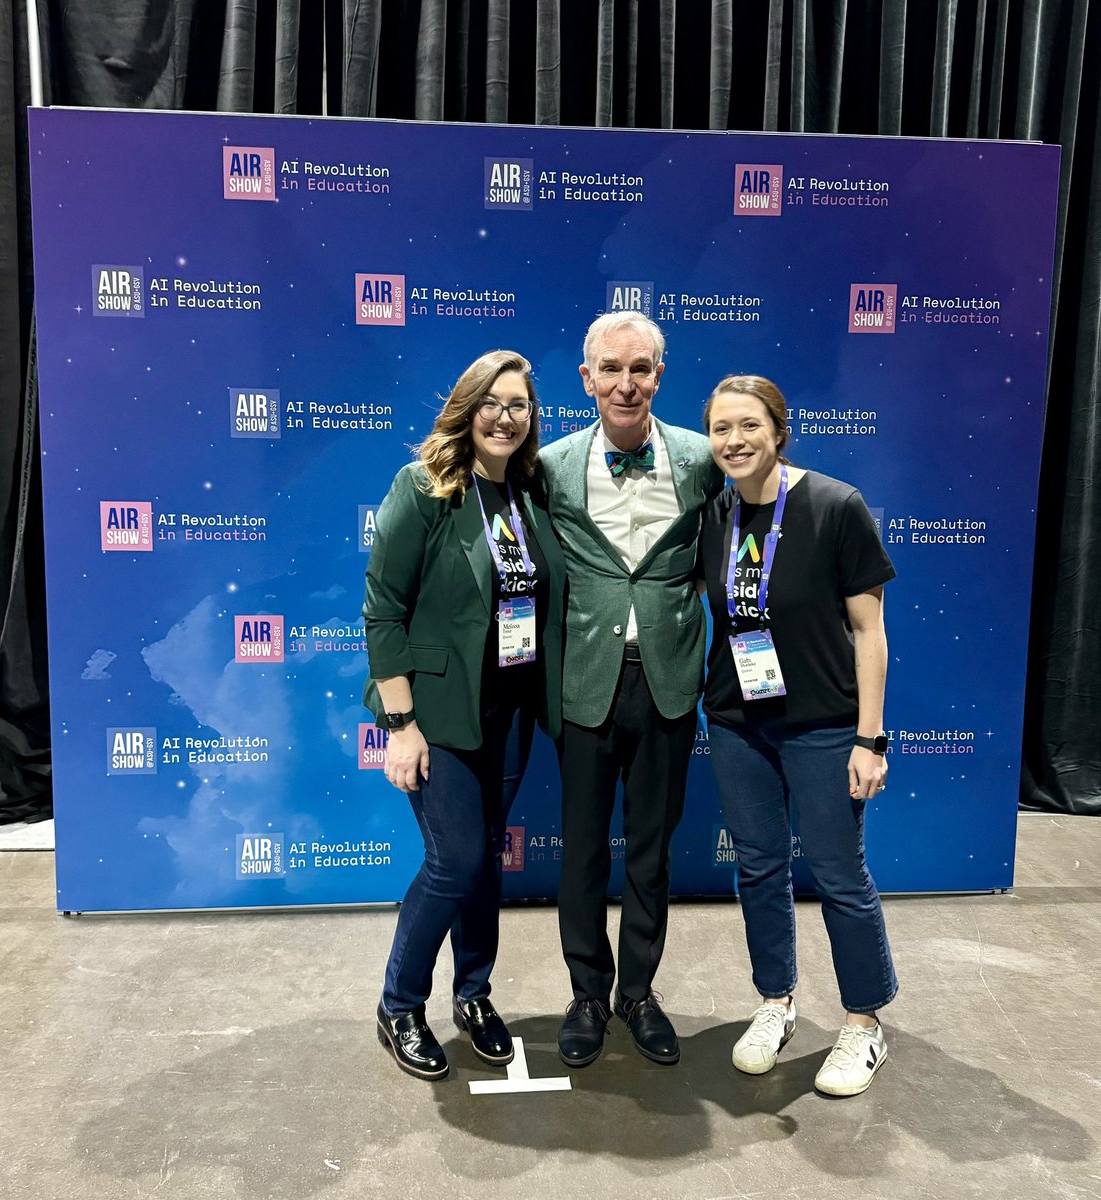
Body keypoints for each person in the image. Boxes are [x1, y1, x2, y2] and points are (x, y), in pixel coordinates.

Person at [363, 350, 566, 1082]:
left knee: (484, 866)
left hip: (507, 713)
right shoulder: (424, 489)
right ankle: (398, 1005)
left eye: (519, 405)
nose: (506, 417)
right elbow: (383, 610)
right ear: (465, 406)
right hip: (437, 713)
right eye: (492, 401)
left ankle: (473, 997)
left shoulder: (529, 492)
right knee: (457, 862)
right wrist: (400, 724)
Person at [697, 373, 898, 1097]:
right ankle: (775, 1004)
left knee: (840, 875)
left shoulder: (834, 506)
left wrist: (869, 740)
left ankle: (863, 1024)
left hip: (823, 725)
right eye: (721, 428)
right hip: (736, 722)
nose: (734, 441)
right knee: (757, 868)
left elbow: (870, 633)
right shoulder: (715, 513)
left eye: (749, 425)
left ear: (780, 430)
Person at [539, 311, 724, 1068]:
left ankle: (638, 994)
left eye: (640, 368)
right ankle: (587, 993)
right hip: (584, 684)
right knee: (582, 850)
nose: (626, 383)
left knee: (650, 851)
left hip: (670, 686)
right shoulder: (547, 466)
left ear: (660, 375)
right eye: (610, 369)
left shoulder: (702, 456)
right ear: (586, 380)